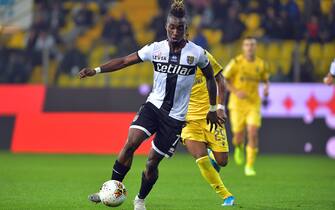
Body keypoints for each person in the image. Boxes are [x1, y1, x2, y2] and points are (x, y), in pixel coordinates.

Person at [78, 1, 222, 210]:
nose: (175, 32)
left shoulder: (197, 53)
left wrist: (212, 108)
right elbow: (125, 61)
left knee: (151, 163)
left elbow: (211, 78)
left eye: (179, 28)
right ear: (166, 27)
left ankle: (140, 199)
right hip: (153, 107)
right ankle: (109, 189)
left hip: (175, 118)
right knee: (130, 144)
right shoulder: (155, 49)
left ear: (186, 30)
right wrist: (96, 70)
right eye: (172, 27)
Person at [181, 50, 235, 206]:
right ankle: (226, 196)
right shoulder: (170, 61)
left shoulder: (202, 55)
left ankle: (213, 155)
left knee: (222, 161)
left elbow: (220, 80)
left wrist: (219, 107)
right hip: (188, 119)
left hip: (210, 116)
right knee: (201, 159)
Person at [224, 37, 270, 176]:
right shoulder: (236, 62)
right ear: (243, 48)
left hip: (253, 104)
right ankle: (238, 147)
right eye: (247, 45)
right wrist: (236, 91)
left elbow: (265, 79)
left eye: (252, 45)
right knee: (238, 136)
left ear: (255, 47)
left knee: (253, 132)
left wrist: (267, 88)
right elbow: (224, 79)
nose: (249, 47)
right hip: (237, 105)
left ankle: (249, 166)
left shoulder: (261, 64)